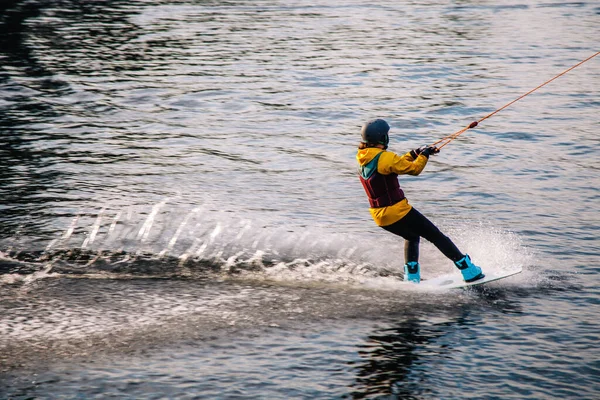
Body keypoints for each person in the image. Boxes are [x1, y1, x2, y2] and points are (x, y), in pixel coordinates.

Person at [356, 118, 484, 283]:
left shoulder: (363, 156)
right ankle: (468, 270)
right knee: (436, 236)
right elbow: (414, 169)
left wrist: (415, 153)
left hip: (380, 217)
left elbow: (396, 164)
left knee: (412, 236)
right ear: (382, 138)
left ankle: (412, 277)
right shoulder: (384, 158)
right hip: (397, 211)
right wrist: (424, 156)